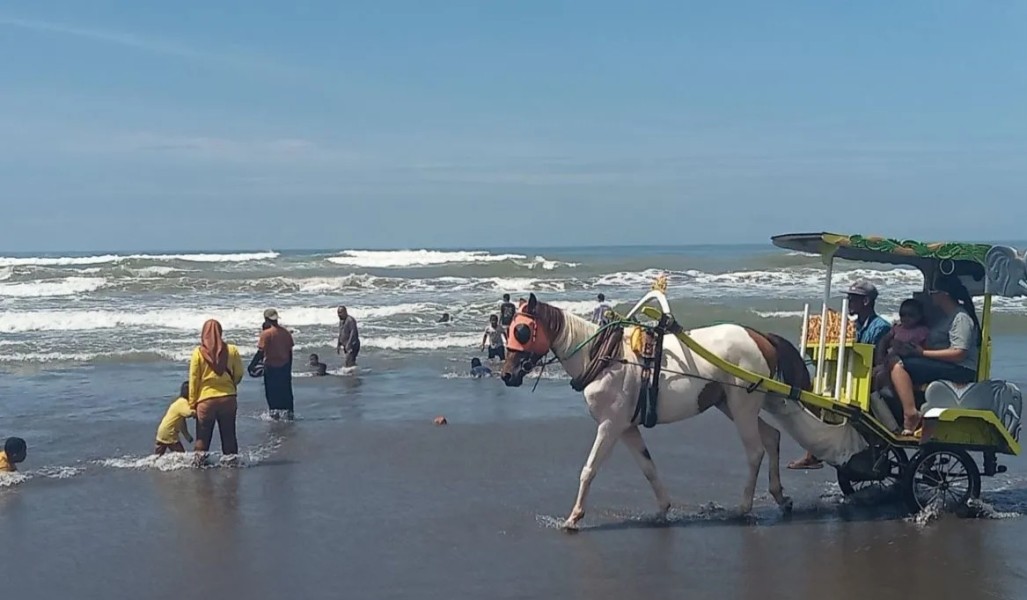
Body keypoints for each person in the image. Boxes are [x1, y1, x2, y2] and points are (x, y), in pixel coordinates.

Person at [789, 279, 894, 469]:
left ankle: (816, 453)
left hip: (867, 377)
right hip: (850, 375)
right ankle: (816, 451)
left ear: (866, 301)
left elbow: (874, 359)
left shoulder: (880, 327)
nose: (849, 302)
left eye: (853, 299)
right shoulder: (855, 325)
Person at [889, 274, 981, 435]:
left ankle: (911, 413)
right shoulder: (945, 317)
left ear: (943, 294)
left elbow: (959, 353)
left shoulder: (961, 318)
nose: (930, 295)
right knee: (892, 363)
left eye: (933, 291)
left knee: (897, 364)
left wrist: (922, 353)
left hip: (960, 369)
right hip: (946, 365)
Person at [189, 319, 244, 457]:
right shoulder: (232, 350)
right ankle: (231, 465)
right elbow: (239, 374)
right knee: (229, 436)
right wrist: (231, 386)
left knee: (202, 438)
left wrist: (192, 403)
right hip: (228, 398)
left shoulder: (198, 353)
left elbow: (194, 380)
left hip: (206, 400)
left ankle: (199, 466)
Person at [872, 299, 931, 392]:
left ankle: (886, 391)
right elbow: (884, 340)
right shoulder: (897, 328)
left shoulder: (922, 331)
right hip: (890, 358)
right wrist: (880, 356)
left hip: (907, 360)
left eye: (911, 315)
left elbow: (925, 348)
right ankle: (875, 396)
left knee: (881, 375)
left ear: (919, 316)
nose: (906, 318)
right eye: (903, 315)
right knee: (874, 373)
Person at [250, 308, 295, 419]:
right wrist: (289, 369)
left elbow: (261, 352)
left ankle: (274, 416)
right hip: (285, 366)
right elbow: (290, 352)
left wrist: (252, 365)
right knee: (286, 392)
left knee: (272, 393)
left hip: (271, 368)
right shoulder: (285, 332)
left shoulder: (266, 334)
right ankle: (290, 415)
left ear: (266, 319)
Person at [155, 381, 195, 455]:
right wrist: (198, 411)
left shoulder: (177, 402)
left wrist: (187, 435)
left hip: (161, 432)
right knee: (181, 456)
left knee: (158, 456)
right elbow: (188, 413)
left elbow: (181, 423)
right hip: (170, 434)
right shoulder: (183, 402)